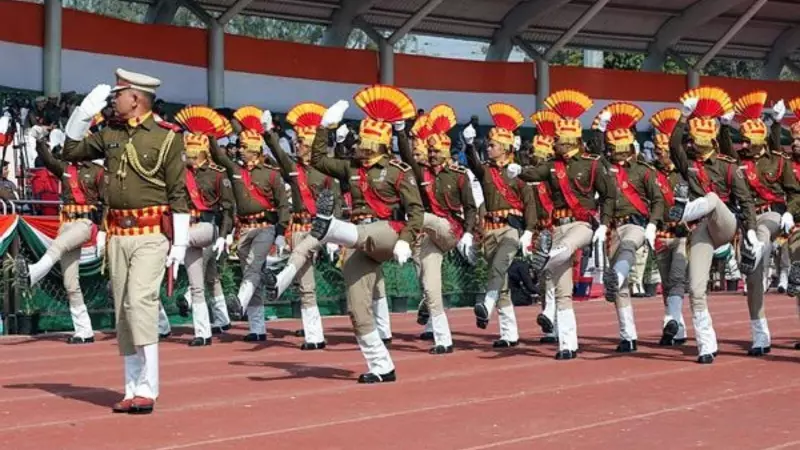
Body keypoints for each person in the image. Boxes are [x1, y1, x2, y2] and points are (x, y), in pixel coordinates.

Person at [60, 68, 190, 414]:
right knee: (122, 311)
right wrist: (83, 112)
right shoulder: (111, 132)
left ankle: (149, 388)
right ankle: (132, 387)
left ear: (136, 98)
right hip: (117, 233)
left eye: (118, 94)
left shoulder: (167, 136)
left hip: (151, 233)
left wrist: (179, 244)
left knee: (139, 303)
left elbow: (178, 193)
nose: (113, 99)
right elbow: (70, 149)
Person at [309, 86, 424, 383]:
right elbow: (318, 160)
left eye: (364, 139)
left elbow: (416, 211)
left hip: (388, 234)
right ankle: (381, 366)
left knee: (367, 233)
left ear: (378, 142)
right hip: (359, 239)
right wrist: (325, 126)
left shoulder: (399, 171)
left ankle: (330, 228)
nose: (359, 143)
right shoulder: (352, 168)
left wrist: (406, 241)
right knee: (357, 307)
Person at [511, 90, 616, 360]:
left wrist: (603, 224)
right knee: (562, 290)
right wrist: (516, 169)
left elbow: (609, 194)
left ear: (569, 139)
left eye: (558, 139)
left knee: (566, 248)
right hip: (558, 226)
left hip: (582, 224)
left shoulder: (591, 164)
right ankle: (567, 344)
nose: (553, 142)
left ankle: (547, 261)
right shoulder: (551, 165)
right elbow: (533, 173)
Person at [670, 86, 758, 364]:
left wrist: (751, 233)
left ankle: (685, 213)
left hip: (724, 223)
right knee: (695, 288)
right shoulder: (689, 164)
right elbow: (673, 147)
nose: (693, 143)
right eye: (692, 138)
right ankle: (706, 344)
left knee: (710, 198)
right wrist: (683, 117)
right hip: (701, 230)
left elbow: (745, 202)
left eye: (697, 138)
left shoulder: (728, 165)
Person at [718, 92, 796, 355]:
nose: (745, 146)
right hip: (747, 219)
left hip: (772, 215)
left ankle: (760, 249)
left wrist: (791, 212)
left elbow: (794, 191)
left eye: (750, 142)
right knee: (752, 281)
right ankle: (760, 335)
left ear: (761, 141)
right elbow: (726, 150)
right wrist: (724, 127)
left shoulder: (778, 160)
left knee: (762, 233)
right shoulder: (739, 162)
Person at [396, 104, 477, 354]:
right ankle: (443, 339)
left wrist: (469, 234)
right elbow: (408, 157)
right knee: (430, 287)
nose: (430, 155)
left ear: (445, 151)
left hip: (449, 229)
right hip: (430, 235)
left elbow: (471, 207)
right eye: (428, 150)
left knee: (422, 217)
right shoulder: (423, 173)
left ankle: (402, 240)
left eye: (434, 151)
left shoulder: (460, 175)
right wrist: (400, 132)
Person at [262, 102, 342, 350]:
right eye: (297, 143)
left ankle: (279, 280)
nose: (298, 146)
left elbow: (337, 203)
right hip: (297, 228)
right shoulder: (293, 169)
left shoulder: (326, 170)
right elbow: (278, 152)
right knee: (305, 286)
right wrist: (268, 132)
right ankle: (314, 336)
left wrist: (334, 236)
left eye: (302, 143)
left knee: (298, 259)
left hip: (318, 228)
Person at [464, 103, 542, 348]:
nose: (488, 148)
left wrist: (528, 231)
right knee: (503, 285)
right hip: (489, 230)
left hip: (510, 229)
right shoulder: (486, 171)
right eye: (487, 145)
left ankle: (486, 305)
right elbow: (473, 164)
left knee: (499, 268)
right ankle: (509, 334)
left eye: (492, 145)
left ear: (506, 149)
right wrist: (468, 145)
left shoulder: (518, 172)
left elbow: (530, 204)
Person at [209, 106, 290, 342]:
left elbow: (283, 205)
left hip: (265, 226)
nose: (239, 151)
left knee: (254, 267)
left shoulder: (272, 174)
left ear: (255, 151)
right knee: (250, 274)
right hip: (243, 228)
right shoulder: (235, 170)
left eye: (244, 148)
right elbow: (218, 156)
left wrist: (281, 232)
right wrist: (211, 136)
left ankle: (239, 303)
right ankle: (257, 328)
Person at [20, 126, 104, 344]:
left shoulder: (97, 171)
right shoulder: (65, 167)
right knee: (70, 282)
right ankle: (84, 331)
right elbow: (47, 160)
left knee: (57, 247)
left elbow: (108, 202)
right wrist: (39, 140)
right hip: (66, 222)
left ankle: (36, 270)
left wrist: (103, 231)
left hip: (85, 222)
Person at [593, 103, 664, 353]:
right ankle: (628, 336)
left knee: (629, 247)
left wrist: (653, 224)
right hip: (613, 226)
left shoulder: (644, 171)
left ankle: (619, 276)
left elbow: (657, 199)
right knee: (620, 290)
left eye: (614, 147)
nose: (611, 151)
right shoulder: (606, 168)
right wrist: (600, 130)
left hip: (635, 223)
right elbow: (595, 156)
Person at [173, 105, 236, 346]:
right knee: (197, 283)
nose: (187, 154)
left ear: (201, 152)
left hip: (208, 226)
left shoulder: (217, 174)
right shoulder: (181, 174)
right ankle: (202, 333)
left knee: (182, 241)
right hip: (188, 228)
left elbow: (228, 207)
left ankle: (170, 252)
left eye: (191, 150)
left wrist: (224, 235)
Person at [649, 107, 689, 346]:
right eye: (655, 150)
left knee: (677, 279)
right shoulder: (652, 173)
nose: (657, 154)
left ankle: (671, 322)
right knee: (667, 283)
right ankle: (677, 328)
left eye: (661, 151)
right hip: (662, 234)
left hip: (683, 235)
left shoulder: (685, 173)